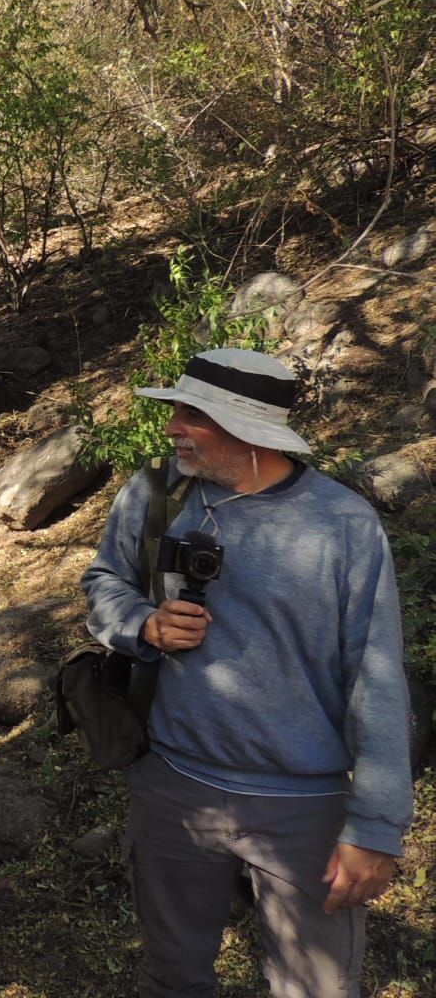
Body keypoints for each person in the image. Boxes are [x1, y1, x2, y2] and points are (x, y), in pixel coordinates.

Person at [81, 348, 413, 998]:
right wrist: (141, 625)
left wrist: (375, 826)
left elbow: (374, 680)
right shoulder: (153, 495)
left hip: (302, 805)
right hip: (172, 790)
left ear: (246, 428)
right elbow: (102, 583)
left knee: (315, 988)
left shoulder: (343, 526)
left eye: (188, 414)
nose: (170, 427)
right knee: (172, 977)